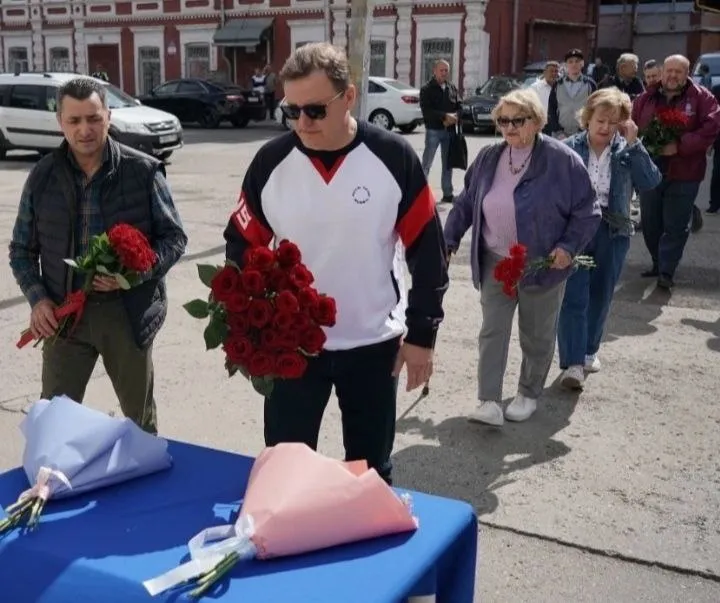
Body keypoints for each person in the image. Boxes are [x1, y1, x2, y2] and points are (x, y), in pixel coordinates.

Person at [223, 42, 449, 483]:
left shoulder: (393, 157)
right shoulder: (271, 162)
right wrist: (251, 322)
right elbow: (241, 245)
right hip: (292, 346)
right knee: (285, 472)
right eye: (291, 111)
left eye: (315, 110)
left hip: (372, 344)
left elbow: (428, 252)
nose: (302, 123)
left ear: (349, 97)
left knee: (369, 474)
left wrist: (423, 334)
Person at [8, 77, 188, 433]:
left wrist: (134, 274)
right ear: (60, 122)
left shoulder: (142, 171)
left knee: (140, 425)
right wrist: (38, 299)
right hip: (64, 315)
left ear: (108, 116)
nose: (85, 129)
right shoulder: (42, 176)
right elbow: (21, 251)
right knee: (54, 422)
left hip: (126, 313)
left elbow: (174, 238)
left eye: (93, 118)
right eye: (74, 120)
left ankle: (142, 467)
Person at [443, 88, 600, 426]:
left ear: (537, 121)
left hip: (542, 262)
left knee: (536, 333)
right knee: (492, 329)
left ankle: (528, 393)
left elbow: (588, 211)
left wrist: (568, 247)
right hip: (495, 259)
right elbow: (467, 201)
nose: (509, 127)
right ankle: (488, 401)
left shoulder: (562, 160)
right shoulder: (489, 157)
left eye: (518, 120)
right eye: (503, 121)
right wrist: (448, 240)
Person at [558, 88, 661, 389]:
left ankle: (589, 350)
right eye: (600, 120)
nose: (605, 127)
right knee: (574, 295)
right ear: (587, 118)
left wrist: (634, 143)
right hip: (577, 229)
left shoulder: (627, 149)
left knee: (601, 294)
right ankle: (573, 363)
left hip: (613, 231)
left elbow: (651, 182)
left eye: (613, 122)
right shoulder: (568, 148)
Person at [632, 54, 720, 289]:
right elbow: (632, 125)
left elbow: (711, 128)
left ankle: (666, 271)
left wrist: (679, 145)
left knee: (675, 225)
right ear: (662, 72)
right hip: (650, 171)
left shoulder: (702, 98)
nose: (672, 75)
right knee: (651, 222)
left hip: (685, 172)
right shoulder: (646, 98)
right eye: (669, 71)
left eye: (678, 71)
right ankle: (657, 261)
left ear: (687, 74)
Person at [419, 59, 462, 204]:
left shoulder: (452, 87)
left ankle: (448, 194)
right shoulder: (426, 89)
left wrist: (456, 116)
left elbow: (460, 105)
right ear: (434, 71)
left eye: (446, 70)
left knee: (448, 164)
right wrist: (444, 116)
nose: (444, 73)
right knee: (427, 163)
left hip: (449, 131)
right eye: (441, 70)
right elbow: (427, 111)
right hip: (433, 131)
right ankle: (420, 194)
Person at [547, 48, 597, 140]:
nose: (574, 64)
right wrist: (558, 131)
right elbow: (552, 109)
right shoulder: (558, 84)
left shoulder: (590, 84)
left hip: (583, 135)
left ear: (582, 63)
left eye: (577, 61)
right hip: (560, 135)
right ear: (566, 65)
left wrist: (585, 130)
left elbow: (595, 110)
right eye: (570, 62)